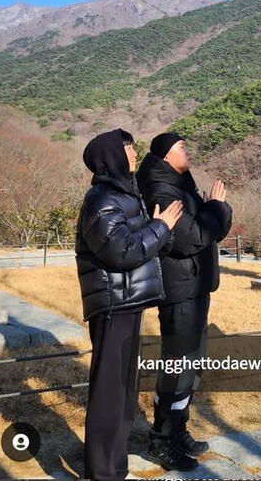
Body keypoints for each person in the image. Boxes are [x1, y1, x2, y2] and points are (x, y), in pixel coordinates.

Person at [75, 128, 184, 481]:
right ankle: (103, 470)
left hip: (129, 301)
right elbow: (121, 251)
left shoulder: (125, 194)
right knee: (110, 392)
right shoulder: (101, 200)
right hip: (112, 305)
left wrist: (159, 230)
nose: (134, 153)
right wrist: (160, 226)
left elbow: (141, 245)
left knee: (124, 390)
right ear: (112, 156)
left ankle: (113, 465)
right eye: (128, 148)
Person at [137, 132, 232, 472]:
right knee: (177, 366)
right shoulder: (161, 190)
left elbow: (202, 229)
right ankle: (160, 440)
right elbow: (190, 238)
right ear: (165, 155)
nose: (187, 151)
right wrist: (217, 208)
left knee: (190, 365)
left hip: (193, 284)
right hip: (179, 289)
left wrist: (211, 210)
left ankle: (178, 429)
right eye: (181, 148)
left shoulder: (179, 183)